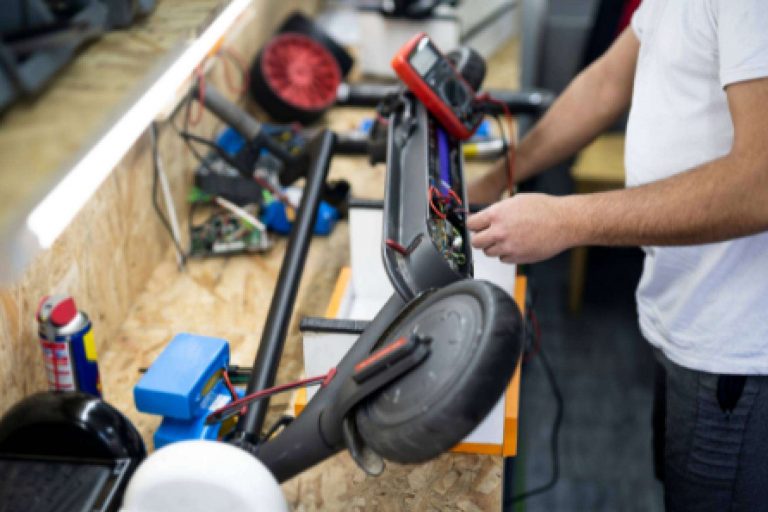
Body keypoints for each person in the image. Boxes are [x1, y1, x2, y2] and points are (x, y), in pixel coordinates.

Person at [467, 2, 768, 510]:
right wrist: (498, 177)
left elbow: (759, 185)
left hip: (734, 344)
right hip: (685, 307)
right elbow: (606, 83)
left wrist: (566, 220)